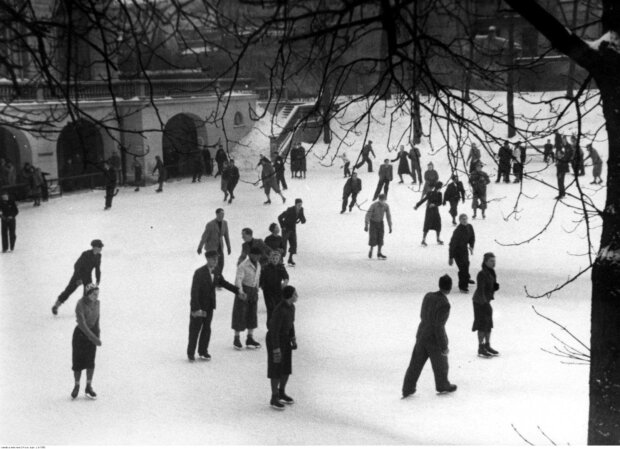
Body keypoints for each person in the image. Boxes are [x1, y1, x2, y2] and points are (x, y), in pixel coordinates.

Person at [402, 274, 457, 398]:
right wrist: (444, 346)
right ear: (450, 287)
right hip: (434, 339)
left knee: (415, 364)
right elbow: (439, 326)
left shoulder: (428, 296)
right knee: (441, 364)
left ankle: (408, 388)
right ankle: (442, 384)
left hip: (422, 334)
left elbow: (422, 315)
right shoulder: (445, 304)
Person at [188, 250, 242, 361]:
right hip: (199, 307)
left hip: (209, 306)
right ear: (207, 259)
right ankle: (191, 353)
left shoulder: (216, 271)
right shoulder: (199, 272)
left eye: (217, 259)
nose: (216, 261)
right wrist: (196, 308)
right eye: (213, 259)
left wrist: (237, 291)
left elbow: (223, 283)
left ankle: (203, 351)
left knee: (207, 329)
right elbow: (194, 292)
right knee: (195, 330)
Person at [266, 285, 298, 410]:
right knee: (276, 369)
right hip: (276, 340)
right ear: (290, 296)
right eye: (295, 294)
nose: (297, 296)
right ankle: (274, 397)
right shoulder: (279, 310)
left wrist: (293, 338)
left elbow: (291, 324)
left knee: (286, 368)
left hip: (285, 339)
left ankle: (281, 392)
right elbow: (273, 330)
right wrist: (276, 348)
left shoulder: (292, 307)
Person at [52, 240, 104, 315]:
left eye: (101, 247)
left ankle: (84, 310)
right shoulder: (85, 254)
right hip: (78, 275)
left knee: (88, 293)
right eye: (100, 247)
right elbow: (77, 266)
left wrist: (98, 279)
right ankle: (56, 306)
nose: (101, 248)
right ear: (95, 247)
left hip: (88, 276)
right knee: (69, 291)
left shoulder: (98, 256)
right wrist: (80, 279)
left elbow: (97, 268)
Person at [71, 283, 101, 399]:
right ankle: (76, 385)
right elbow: (82, 324)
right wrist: (94, 338)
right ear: (88, 294)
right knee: (78, 362)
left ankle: (89, 385)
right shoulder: (80, 304)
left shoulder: (98, 304)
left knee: (90, 361)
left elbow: (97, 320)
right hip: (80, 335)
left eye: (97, 294)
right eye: (94, 294)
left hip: (92, 334)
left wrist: (97, 335)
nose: (96, 296)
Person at [232, 247, 263, 350]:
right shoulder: (243, 265)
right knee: (240, 314)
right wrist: (240, 292)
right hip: (244, 291)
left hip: (253, 292)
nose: (257, 257)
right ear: (250, 255)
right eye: (255, 255)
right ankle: (236, 338)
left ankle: (250, 337)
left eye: (259, 255)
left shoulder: (258, 265)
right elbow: (238, 279)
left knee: (252, 314)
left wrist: (257, 289)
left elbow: (257, 277)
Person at [472, 252, 500, 358]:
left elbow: (490, 287)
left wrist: (494, 287)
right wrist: (484, 303)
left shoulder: (491, 272)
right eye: (491, 261)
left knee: (488, 324)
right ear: (485, 261)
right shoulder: (482, 274)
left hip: (486, 301)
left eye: (494, 261)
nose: (494, 263)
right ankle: (481, 347)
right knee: (482, 325)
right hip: (479, 302)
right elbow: (481, 290)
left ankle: (487, 345)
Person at [197, 208, 232, 275]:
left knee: (221, 264)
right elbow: (204, 236)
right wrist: (200, 247)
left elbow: (226, 236)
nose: (222, 216)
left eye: (223, 215)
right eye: (220, 214)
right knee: (213, 264)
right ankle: (212, 279)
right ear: (216, 214)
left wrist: (229, 247)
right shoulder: (210, 224)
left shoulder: (225, 223)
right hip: (211, 247)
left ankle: (218, 279)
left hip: (220, 247)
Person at [260, 249, 289, 326]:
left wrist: (285, 283)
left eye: (276, 259)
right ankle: (270, 326)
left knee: (278, 308)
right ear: (270, 259)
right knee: (270, 308)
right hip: (267, 291)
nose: (275, 260)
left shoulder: (281, 267)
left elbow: (286, 276)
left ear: (279, 259)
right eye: (273, 258)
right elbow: (261, 278)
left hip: (278, 291)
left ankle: (278, 326)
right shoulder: (265, 268)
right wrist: (261, 286)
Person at [449, 214, 475, 293]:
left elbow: (472, 237)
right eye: (463, 219)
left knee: (466, 264)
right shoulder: (457, 231)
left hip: (464, 250)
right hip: (457, 252)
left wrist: (471, 246)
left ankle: (466, 278)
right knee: (462, 268)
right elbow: (452, 244)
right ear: (459, 220)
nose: (465, 220)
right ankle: (462, 286)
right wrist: (451, 257)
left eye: (466, 219)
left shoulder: (470, 227)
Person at [278, 199, 306, 266]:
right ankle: (281, 259)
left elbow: (302, 216)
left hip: (293, 229)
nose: (300, 206)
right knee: (284, 244)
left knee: (293, 244)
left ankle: (290, 259)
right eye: (299, 205)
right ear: (295, 204)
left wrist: (303, 220)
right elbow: (280, 217)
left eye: (301, 204)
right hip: (286, 229)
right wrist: (282, 226)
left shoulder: (301, 209)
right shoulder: (290, 210)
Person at [415, 181, 444, 246]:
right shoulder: (430, 193)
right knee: (427, 224)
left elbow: (440, 203)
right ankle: (423, 239)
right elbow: (424, 199)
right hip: (429, 211)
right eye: (439, 187)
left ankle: (438, 238)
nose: (440, 189)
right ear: (436, 187)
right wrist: (417, 205)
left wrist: (434, 204)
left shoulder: (440, 194)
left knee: (438, 224)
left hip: (436, 211)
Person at [364, 193, 392, 259]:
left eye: (384, 199)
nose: (383, 201)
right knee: (373, 237)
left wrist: (390, 226)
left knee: (380, 237)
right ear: (379, 199)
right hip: (373, 223)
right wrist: (366, 225)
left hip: (380, 223)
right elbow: (368, 215)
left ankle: (379, 252)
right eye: (381, 199)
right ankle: (371, 249)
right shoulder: (374, 205)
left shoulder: (386, 206)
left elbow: (388, 216)